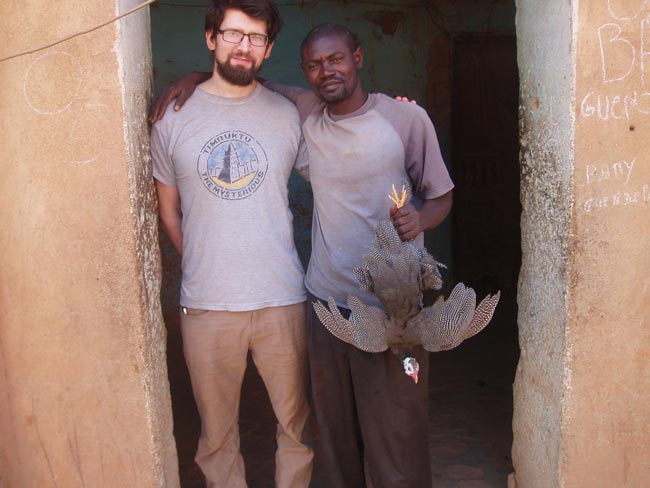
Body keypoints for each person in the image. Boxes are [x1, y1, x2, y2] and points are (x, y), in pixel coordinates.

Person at [151, 23, 453, 488]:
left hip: (394, 309)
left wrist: (421, 217)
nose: (325, 71)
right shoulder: (308, 110)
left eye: (335, 60)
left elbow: (441, 196)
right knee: (332, 431)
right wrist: (194, 75)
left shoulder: (404, 119)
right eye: (314, 64)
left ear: (358, 57)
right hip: (326, 303)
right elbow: (246, 77)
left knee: (395, 429)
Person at [149, 1, 313, 487]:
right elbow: (168, 212)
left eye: (256, 37)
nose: (244, 46)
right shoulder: (172, 118)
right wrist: (205, 259)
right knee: (217, 437)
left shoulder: (288, 115)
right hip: (206, 304)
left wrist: (397, 113)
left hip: (283, 297)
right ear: (211, 37)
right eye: (234, 34)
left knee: (296, 427)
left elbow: (335, 168)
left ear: (268, 48)